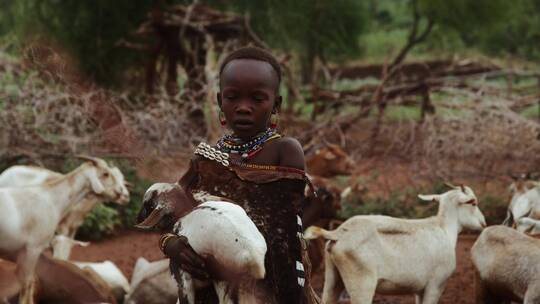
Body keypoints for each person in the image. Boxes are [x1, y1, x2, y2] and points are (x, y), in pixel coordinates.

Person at [158, 46, 319, 303]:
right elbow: (173, 211)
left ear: (276, 104)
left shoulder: (284, 150)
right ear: (220, 101)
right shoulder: (206, 158)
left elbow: (284, 229)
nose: (244, 107)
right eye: (233, 97)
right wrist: (172, 244)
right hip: (211, 285)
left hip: (271, 281)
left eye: (257, 98)